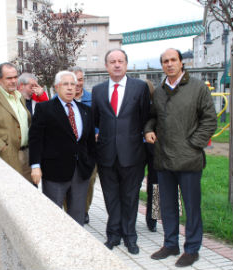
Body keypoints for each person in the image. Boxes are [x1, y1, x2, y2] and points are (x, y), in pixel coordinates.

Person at [145, 48, 217, 267]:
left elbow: (209, 121)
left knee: (191, 206)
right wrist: (148, 129)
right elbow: (152, 117)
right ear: (162, 65)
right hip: (163, 159)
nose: (169, 64)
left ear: (181, 63)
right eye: (165, 61)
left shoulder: (198, 88)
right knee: (166, 205)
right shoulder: (159, 91)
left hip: (189, 160)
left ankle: (192, 248)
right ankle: (170, 244)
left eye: (173, 60)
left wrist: (193, 145)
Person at [91, 49, 150, 255]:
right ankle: (113, 235)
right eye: (112, 61)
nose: (117, 65)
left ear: (126, 64)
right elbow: (96, 120)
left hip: (132, 154)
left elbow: (145, 117)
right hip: (106, 154)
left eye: (120, 61)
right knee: (111, 198)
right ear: (106, 66)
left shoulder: (140, 87)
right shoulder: (98, 90)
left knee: (130, 198)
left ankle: (130, 237)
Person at [29, 70, 96, 226]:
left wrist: (90, 163)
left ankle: (76, 245)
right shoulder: (44, 109)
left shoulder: (85, 110)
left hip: (80, 172)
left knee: (78, 215)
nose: (70, 88)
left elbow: (90, 141)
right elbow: (35, 139)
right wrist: (35, 166)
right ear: (56, 87)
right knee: (54, 216)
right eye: (65, 84)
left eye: (73, 84)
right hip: (54, 172)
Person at [69, 66, 97, 224]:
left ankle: (154, 218)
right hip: (68, 152)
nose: (77, 83)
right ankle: (71, 212)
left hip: (88, 151)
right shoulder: (61, 100)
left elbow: (99, 121)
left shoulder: (93, 99)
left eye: (80, 80)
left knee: (89, 182)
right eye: (74, 80)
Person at [144, 80, 158, 233]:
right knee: (154, 184)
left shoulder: (155, 106)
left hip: (152, 146)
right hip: (143, 147)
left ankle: (153, 219)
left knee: (155, 184)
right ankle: (152, 221)